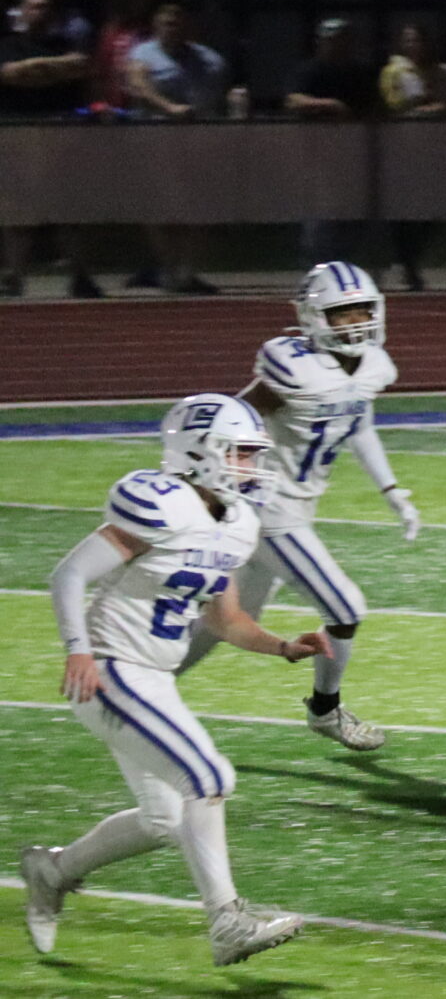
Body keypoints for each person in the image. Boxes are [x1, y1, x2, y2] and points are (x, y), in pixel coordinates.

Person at [25, 394, 328, 967]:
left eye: (251, 454)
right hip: (110, 669)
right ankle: (227, 920)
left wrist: (283, 647)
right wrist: (77, 650)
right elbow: (69, 574)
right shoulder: (161, 504)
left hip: (154, 678)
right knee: (208, 777)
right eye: (240, 453)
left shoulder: (236, 523)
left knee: (163, 819)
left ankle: (52, 870)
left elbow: (225, 620)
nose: (250, 465)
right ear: (198, 451)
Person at [180, 262, 423, 752]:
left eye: (362, 311)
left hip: (295, 504)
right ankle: (325, 709)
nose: (356, 323)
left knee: (229, 616)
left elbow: (358, 424)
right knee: (345, 607)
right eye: (342, 314)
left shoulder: (372, 365)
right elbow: (233, 416)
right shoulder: (294, 368)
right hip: (267, 507)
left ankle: (136, 683)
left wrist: (391, 490)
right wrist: (208, 482)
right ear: (314, 317)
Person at [125, 1, 238, 294]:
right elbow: (138, 85)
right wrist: (169, 108)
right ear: (156, 25)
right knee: (157, 209)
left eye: (178, 23)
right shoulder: (143, 54)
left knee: (197, 209)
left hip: (196, 145)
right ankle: (167, 267)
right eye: (167, 23)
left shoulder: (208, 59)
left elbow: (218, 96)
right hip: (155, 143)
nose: (172, 29)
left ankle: (188, 272)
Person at [0, 0, 103, 298]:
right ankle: (14, 276)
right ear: (22, 11)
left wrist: (33, 70)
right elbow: (9, 75)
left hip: (61, 137)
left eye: (44, 7)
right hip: (19, 136)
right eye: (33, 6)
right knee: (18, 210)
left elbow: (80, 67)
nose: (38, 12)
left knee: (68, 209)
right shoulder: (7, 44)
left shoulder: (65, 42)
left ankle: (80, 275)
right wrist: (52, 70)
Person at [284, 18, 381, 266]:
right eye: (331, 40)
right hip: (318, 156)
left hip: (356, 155)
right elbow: (293, 100)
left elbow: (376, 106)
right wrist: (329, 105)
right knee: (320, 214)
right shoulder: (310, 71)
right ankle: (317, 265)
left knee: (354, 215)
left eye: (342, 40)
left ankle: (345, 264)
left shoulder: (361, 73)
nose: (337, 45)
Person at [378, 23, 446, 292]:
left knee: (431, 211)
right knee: (402, 213)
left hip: (433, 151)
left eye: (419, 40)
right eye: (409, 40)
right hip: (403, 150)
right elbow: (395, 103)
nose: (414, 46)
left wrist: (426, 106)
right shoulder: (394, 71)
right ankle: (403, 263)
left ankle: (411, 259)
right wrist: (424, 104)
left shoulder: (442, 72)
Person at [94, 0, 164, 112]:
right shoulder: (114, 29)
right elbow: (100, 73)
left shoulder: (166, 27)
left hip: (155, 111)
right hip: (117, 112)